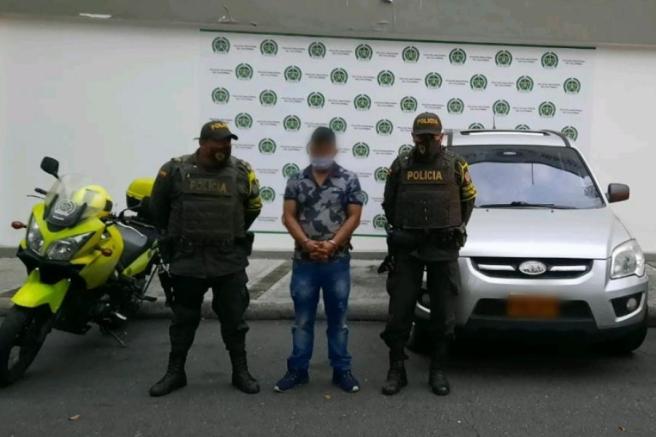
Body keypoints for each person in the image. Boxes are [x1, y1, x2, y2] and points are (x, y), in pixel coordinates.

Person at [148, 120, 262, 397]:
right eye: (218, 141)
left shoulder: (243, 171)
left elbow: (253, 208)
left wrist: (230, 232)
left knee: (234, 320)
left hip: (228, 259)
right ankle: (175, 372)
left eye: (228, 141)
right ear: (201, 143)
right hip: (188, 259)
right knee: (183, 320)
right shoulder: (173, 170)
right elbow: (158, 210)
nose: (224, 146)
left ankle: (241, 372)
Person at [379, 112, 477, 396]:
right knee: (399, 312)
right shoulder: (401, 164)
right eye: (421, 137)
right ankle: (396, 369)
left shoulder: (456, 164)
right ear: (413, 137)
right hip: (408, 248)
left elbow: (468, 199)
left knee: (443, 314)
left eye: (431, 137)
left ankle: (438, 370)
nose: (426, 142)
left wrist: (453, 228)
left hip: (442, 248)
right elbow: (389, 203)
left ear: (441, 136)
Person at [274, 127, 364, 393]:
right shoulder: (296, 180)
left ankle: (342, 371)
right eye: (317, 148)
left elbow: (354, 216)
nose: (321, 153)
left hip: (337, 262)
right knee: (302, 321)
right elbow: (288, 216)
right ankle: (297, 370)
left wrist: (332, 244)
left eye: (326, 149)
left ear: (334, 150)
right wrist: (306, 243)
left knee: (339, 321)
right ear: (310, 149)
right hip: (305, 262)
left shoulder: (349, 179)